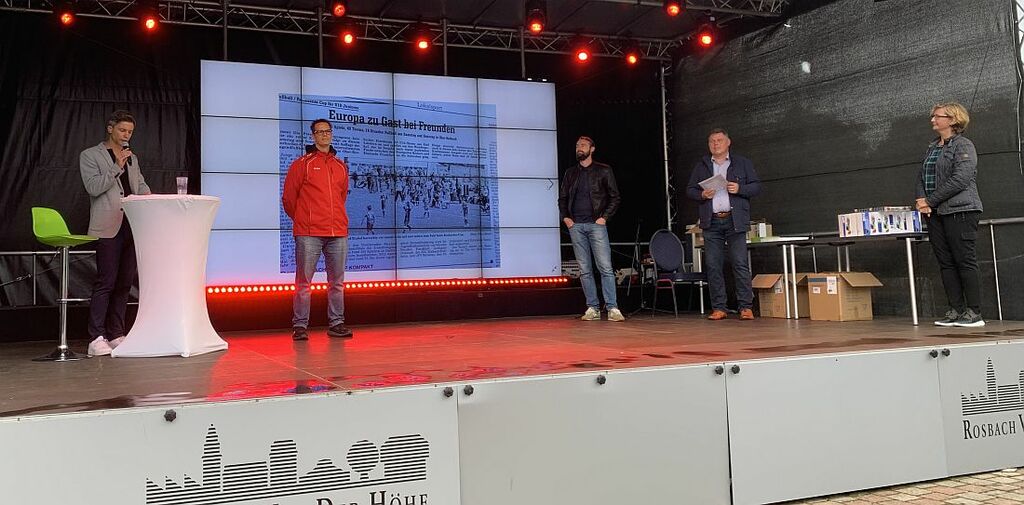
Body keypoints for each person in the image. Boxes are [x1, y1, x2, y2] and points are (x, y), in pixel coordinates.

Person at [80, 110, 152, 356]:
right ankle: (95, 337)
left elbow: (139, 185)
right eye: (122, 130)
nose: (126, 135)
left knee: (124, 283)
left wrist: (151, 198)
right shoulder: (90, 155)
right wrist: (115, 167)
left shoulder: (132, 157)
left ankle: (116, 333)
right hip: (107, 226)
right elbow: (93, 187)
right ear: (110, 128)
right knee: (106, 282)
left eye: (130, 132)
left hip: (131, 225)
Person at [282, 119, 353, 341]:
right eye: (319, 132)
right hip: (309, 232)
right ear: (313, 136)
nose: (324, 135)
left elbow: (341, 197)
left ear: (331, 134)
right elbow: (289, 199)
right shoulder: (301, 164)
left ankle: (337, 323)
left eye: (327, 131)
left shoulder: (340, 166)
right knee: (304, 282)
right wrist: (303, 220)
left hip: (337, 232)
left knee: (337, 282)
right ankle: (300, 325)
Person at [915, 102, 984, 327]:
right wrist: (922, 201)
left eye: (937, 116)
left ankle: (974, 312)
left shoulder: (963, 145)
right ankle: (956, 310)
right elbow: (922, 176)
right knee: (945, 262)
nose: (932, 120)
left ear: (953, 120)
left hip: (961, 211)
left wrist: (930, 200)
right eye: (933, 116)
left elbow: (960, 179)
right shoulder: (932, 147)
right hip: (935, 214)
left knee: (964, 260)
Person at [685, 128, 761, 320]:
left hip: (735, 219)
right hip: (711, 221)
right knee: (713, 265)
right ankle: (719, 307)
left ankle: (745, 306)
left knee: (740, 263)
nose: (715, 144)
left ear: (728, 142)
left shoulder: (742, 163)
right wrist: (702, 194)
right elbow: (690, 190)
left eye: (719, 140)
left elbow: (756, 187)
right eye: (712, 141)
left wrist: (740, 188)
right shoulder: (702, 165)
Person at [557, 136, 624, 322]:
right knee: (585, 269)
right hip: (576, 226)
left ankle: (612, 307)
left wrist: (604, 218)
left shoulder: (603, 170)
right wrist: (566, 218)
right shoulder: (571, 173)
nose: (579, 148)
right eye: (577, 145)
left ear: (592, 149)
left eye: (583, 145)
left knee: (605, 267)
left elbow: (615, 197)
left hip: (596, 225)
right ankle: (592, 307)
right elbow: (562, 198)